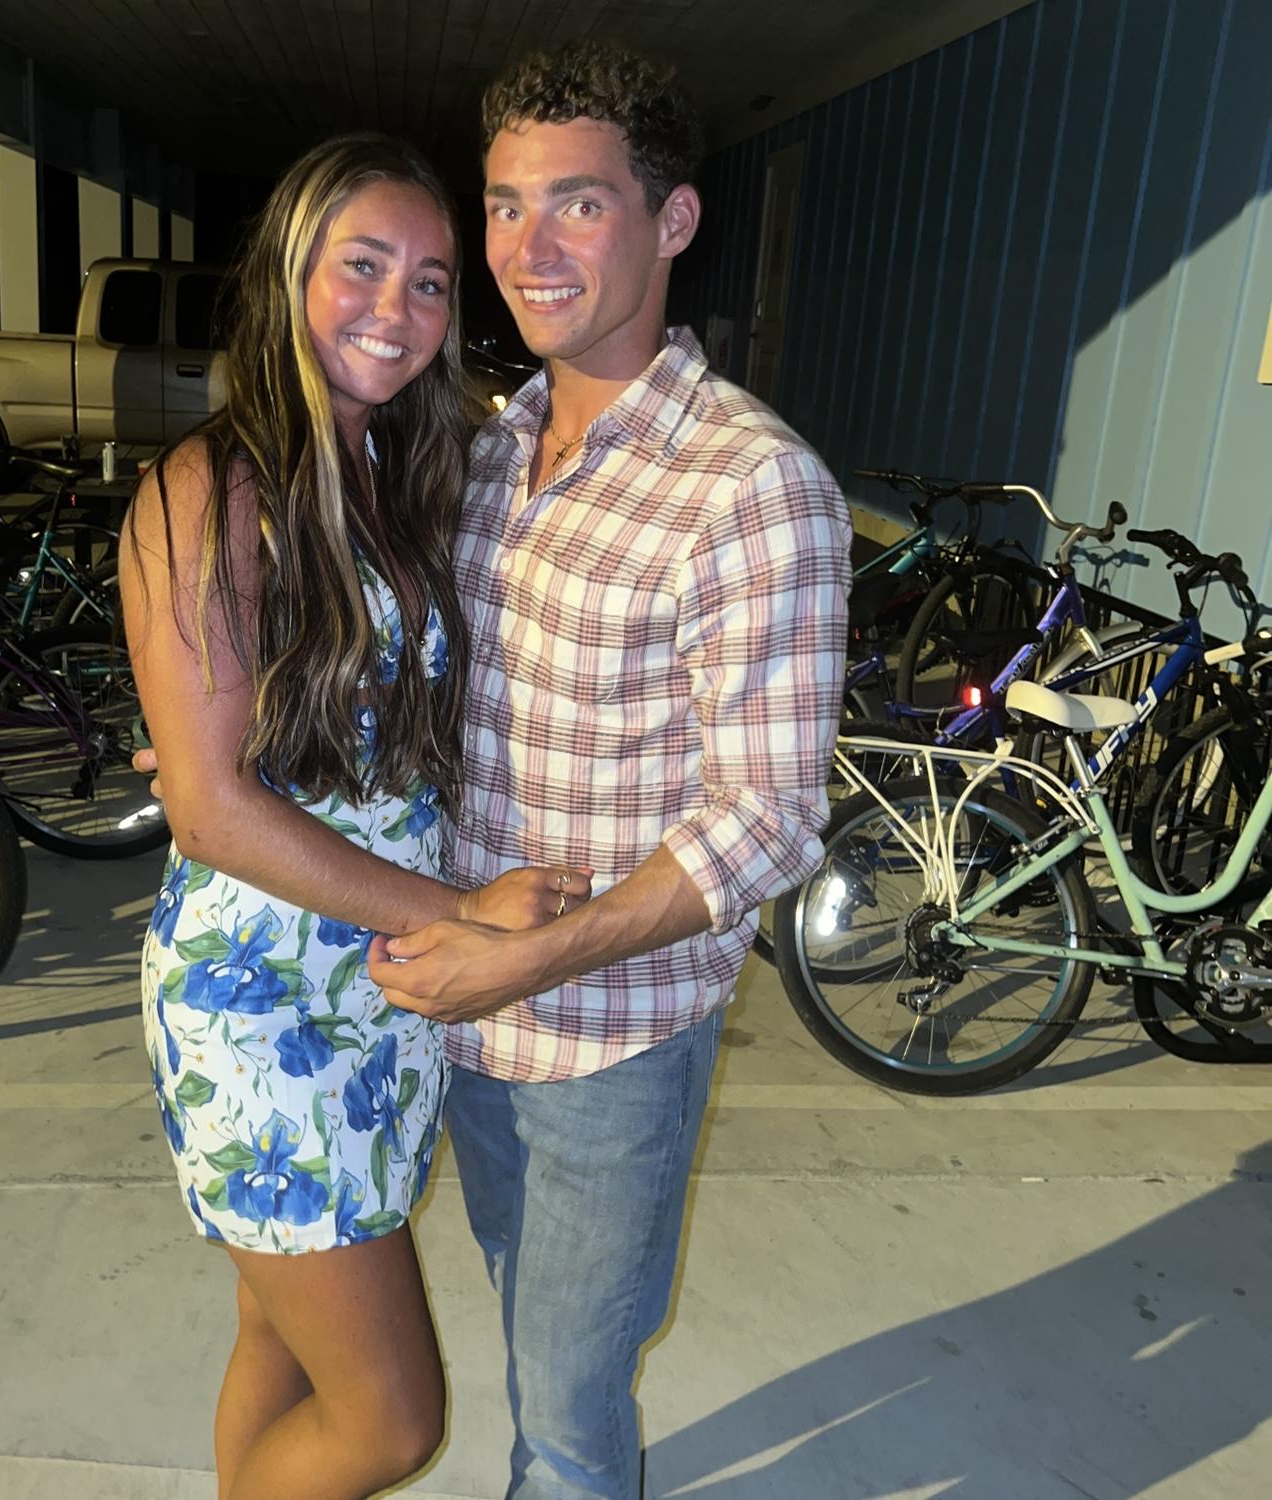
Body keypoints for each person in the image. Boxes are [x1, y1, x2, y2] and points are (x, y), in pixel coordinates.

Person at [362, 42, 852, 1499]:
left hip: (611, 1042)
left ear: (673, 222)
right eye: (506, 206)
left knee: (571, 1423)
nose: (528, 247)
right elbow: (431, 694)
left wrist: (536, 956)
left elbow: (768, 821)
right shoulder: (488, 452)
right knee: (533, 1327)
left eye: (577, 203)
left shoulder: (752, 487)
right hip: (464, 1021)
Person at [120, 133, 593, 1500]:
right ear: (288, 276)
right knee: (391, 1419)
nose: (399, 309)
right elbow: (209, 809)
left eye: (433, 283)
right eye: (364, 267)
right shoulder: (211, 486)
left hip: (379, 988)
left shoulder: (393, 475)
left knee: (283, 1331)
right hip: (264, 993)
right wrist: (463, 918)